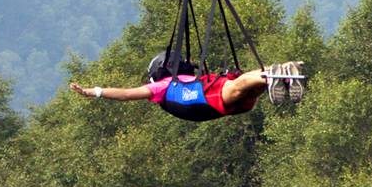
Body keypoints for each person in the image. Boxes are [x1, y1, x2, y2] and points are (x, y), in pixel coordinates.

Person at [70, 57, 304, 121]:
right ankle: (279, 72)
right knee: (243, 87)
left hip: (207, 99)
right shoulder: (183, 78)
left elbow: (126, 94)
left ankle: (274, 74)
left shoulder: (163, 86)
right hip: (213, 100)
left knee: (238, 87)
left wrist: (95, 91)